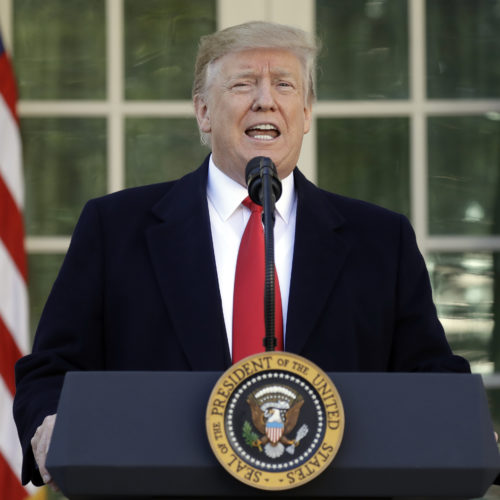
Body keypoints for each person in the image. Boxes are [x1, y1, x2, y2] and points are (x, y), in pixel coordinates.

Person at [14, 21, 470, 489]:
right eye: (243, 84)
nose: (265, 100)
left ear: (307, 112)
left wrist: (466, 425)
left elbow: (428, 373)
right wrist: (49, 424)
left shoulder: (380, 239)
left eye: (284, 85)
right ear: (203, 112)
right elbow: (50, 369)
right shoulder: (115, 227)